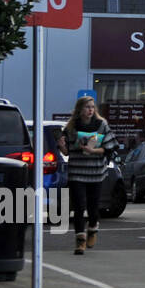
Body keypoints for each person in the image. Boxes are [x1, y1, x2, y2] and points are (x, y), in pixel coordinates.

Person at [57, 96, 118, 255]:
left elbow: (109, 147)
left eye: (92, 107)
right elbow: (67, 152)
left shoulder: (101, 124)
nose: (90, 110)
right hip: (77, 171)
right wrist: (62, 146)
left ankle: (92, 228)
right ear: (80, 109)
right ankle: (80, 241)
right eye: (87, 107)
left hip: (95, 171)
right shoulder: (71, 127)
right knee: (78, 206)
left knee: (93, 206)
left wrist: (93, 150)